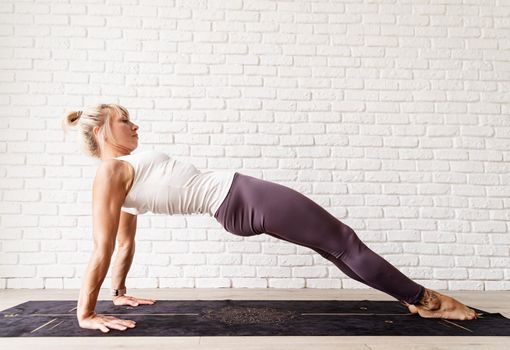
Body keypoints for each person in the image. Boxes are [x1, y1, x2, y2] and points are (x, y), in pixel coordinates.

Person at [62, 103, 479, 333]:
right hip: (242, 195)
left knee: (336, 250)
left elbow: (125, 243)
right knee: (345, 243)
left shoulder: (121, 175)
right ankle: (428, 301)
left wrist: (117, 292)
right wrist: (86, 312)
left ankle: (410, 298)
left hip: (234, 205)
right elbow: (103, 246)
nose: (135, 125)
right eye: (124, 120)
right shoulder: (111, 172)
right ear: (100, 131)